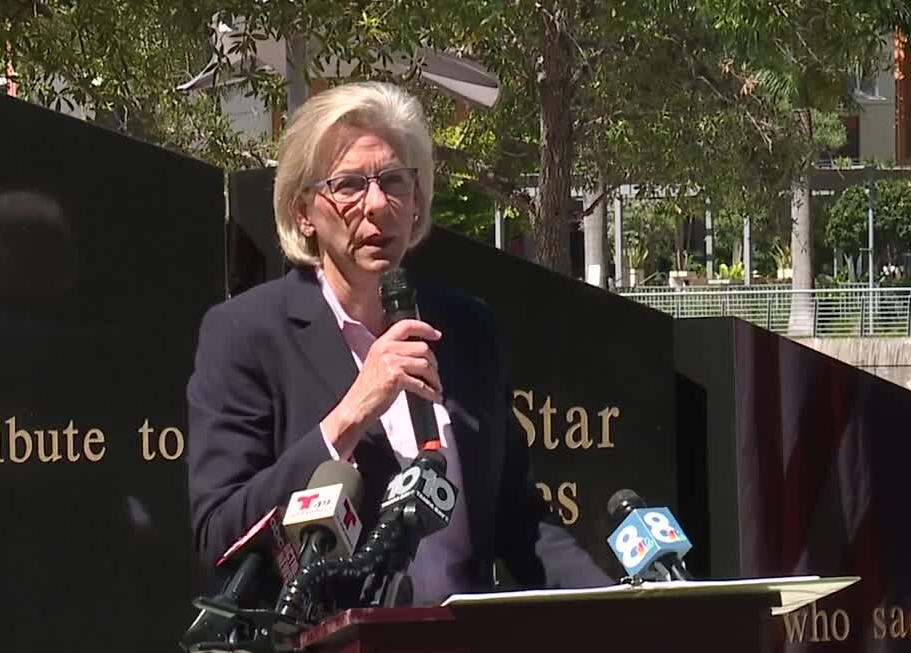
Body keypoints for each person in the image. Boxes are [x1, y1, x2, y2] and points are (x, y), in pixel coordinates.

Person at [186, 81, 609, 606]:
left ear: (417, 200)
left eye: (393, 181)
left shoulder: (466, 326)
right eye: (348, 186)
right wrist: (353, 412)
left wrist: (616, 607)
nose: (377, 205)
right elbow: (220, 533)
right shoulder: (248, 335)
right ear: (303, 212)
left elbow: (517, 521)